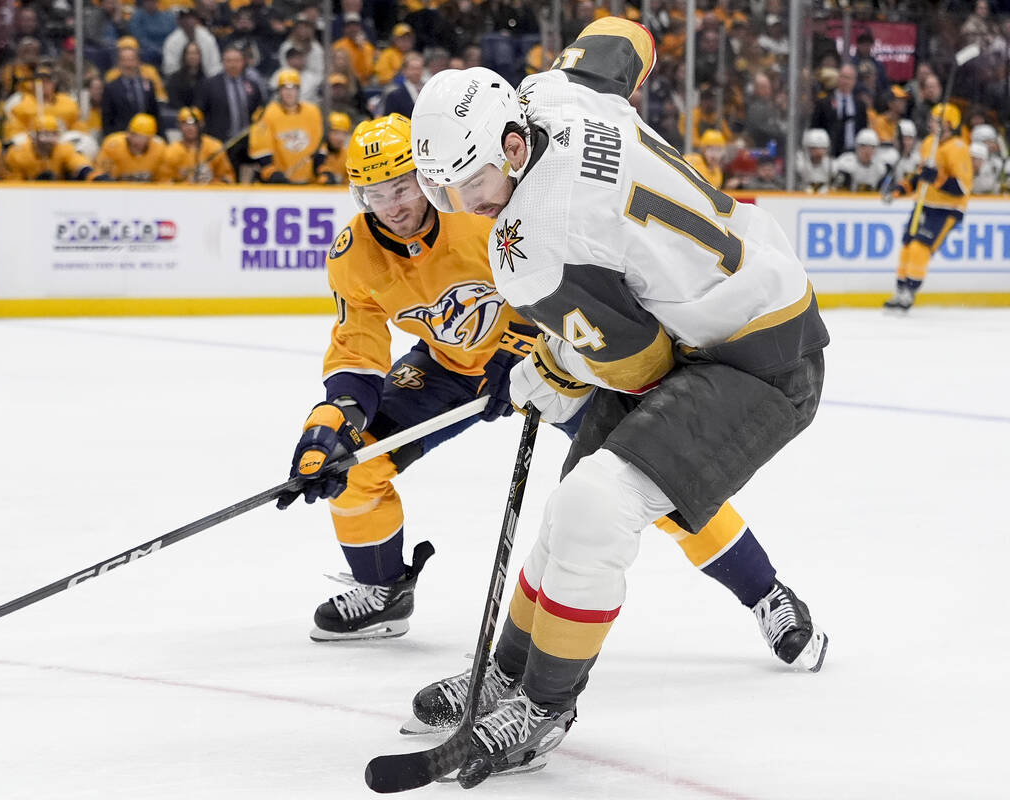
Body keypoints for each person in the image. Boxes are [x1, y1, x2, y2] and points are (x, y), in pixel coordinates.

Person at [408, 17, 829, 784]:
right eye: (442, 186)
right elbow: (622, 33)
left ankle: (542, 708)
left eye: (468, 184)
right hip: (738, 292)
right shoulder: (554, 93)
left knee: (598, 507)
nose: (460, 203)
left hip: (762, 359)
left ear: (509, 145)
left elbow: (640, 366)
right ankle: (505, 673)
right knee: (576, 502)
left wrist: (560, 363)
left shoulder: (529, 250)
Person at [279, 112, 820, 654]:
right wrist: (333, 421)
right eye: (376, 193)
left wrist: (523, 359)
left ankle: (766, 594)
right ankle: (382, 591)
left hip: (554, 360)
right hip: (447, 367)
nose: (393, 205)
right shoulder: (352, 256)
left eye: (403, 185)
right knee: (354, 464)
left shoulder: (480, 213)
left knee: (653, 474)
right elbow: (358, 347)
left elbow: (558, 290)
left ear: (427, 177)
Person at [881, 103, 973, 311]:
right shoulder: (929, 143)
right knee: (907, 246)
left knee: (919, 247)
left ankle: (910, 292)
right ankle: (901, 289)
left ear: (948, 124)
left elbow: (962, 187)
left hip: (947, 208)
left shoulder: (957, 148)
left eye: (936, 120)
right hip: (923, 204)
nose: (931, 123)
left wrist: (937, 179)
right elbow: (921, 175)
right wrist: (900, 189)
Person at [248, 69, 322, 184]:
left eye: (293, 88)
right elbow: (261, 147)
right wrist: (270, 171)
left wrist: (322, 170)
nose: (289, 92)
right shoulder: (267, 113)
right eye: (284, 88)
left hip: (308, 181)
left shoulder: (312, 112)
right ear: (279, 91)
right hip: (279, 181)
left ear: (299, 90)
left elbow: (318, 144)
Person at [200, 45, 265, 175]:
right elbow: (201, 112)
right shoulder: (210, 84)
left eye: (236, 60)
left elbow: (260, 110)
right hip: (221, 142)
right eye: (228, 61)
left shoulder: (251, 85)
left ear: (243, 62)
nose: (233, 64)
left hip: (247, 142)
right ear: (223, 63)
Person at [4, 115, 101, 180]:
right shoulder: (17, 154)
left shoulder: (64, 148)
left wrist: (95, 177)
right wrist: (35, 184)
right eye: (44, 134)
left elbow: (80, 165)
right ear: (33, 136)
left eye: (53, 134)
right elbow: (13, 187)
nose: (48, 140)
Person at [103, 37, 166, 134]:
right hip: (121, 136)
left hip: (146, 134)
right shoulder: (111, 87)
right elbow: (107, 120)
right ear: (119, 62)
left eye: (131, 60)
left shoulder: (148, 84)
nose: (128, 64)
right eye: (124, 60)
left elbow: (155, 114)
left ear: (138, 61)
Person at [2, 67, 81, 140]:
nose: (44, 85)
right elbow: (14, 132)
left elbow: (78, 130)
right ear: (33, 84)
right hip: (32, 147)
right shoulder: (21, 103)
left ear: (53, 84)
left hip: (61, 146)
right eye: (40, 81)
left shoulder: (68, 103)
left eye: (47, 81)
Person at [163, 107, 235, 183]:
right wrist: (185, 180)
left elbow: (229, 179)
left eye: (194, 124)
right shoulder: (171, 151)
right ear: (179, 126)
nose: (190, 128)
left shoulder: (215, 147)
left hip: (210, 193)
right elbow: (163, 182)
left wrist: (212, 180)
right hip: (182, 193)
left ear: (201, 124)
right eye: (185, 124)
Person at [811, 63, 867, 156]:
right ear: (838, 78)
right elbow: (816, 127)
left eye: (849, 78)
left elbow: (862, 129)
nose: (845, 81)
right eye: (843, 77)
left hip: (854, 153)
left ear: (854, 81)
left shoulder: (860, 105)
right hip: (830, 153)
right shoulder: (824, 103)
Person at [95, 113, 168, 181]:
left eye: (140, 136)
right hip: (116, 190)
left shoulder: (159, 148)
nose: (134, 138)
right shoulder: (113, 145)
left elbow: (163, 180)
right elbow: (100, 175)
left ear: (150, 138)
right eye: (132, 133)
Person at [162, 8, 222, 79]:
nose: (188, 21)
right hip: (180, 80)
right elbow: (170, 68)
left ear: (197, 21)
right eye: (185, 19)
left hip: (205, 78)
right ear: (179, 22)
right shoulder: (172, 41)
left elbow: (215, 64)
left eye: (191, 18)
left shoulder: (207, 37)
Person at [380, 52, 424, 119]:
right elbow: (389, 119)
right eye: (413, 69)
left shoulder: (429, 91)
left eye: (419, 69)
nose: (416, 72)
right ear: (405, 71)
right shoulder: (394, 94)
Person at [313, 111, 352, 184]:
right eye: (336, 133)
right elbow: (319, 170)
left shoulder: (348, 155)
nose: (340, 138)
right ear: (327, 133)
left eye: (344, 133)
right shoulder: (318, 152)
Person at [796, 127, 834, 192]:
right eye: (814, 148)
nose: (819, 152)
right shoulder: (798, 164)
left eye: (823, 148)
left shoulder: (832, 165)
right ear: (807, 148)